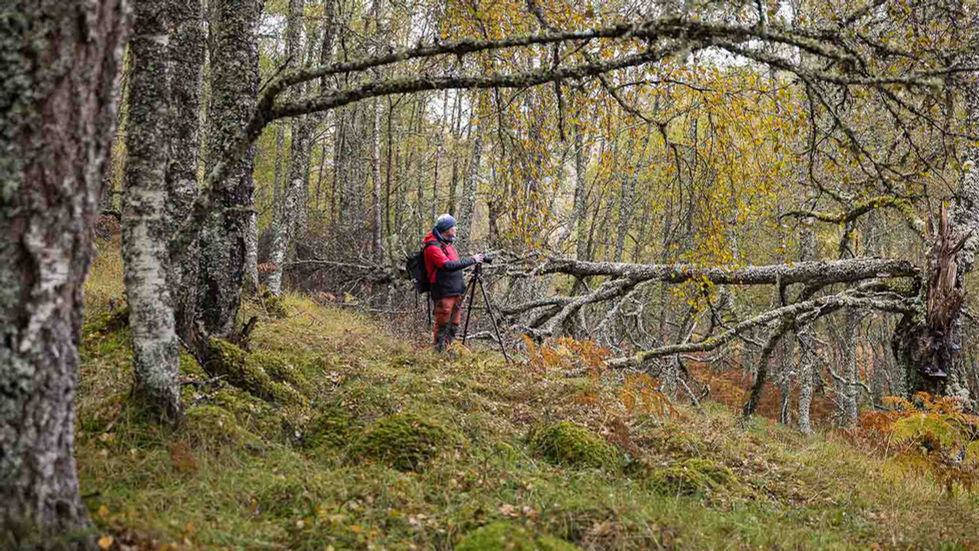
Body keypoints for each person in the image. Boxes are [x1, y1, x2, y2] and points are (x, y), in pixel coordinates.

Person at [422, 214, 485, 351]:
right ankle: (439, 352)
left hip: (455, 290)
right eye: (453, 227)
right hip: (443, 291)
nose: (455, 229)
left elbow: (455, 264)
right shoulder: (432, 247)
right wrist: (472, 260)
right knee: (444, 322)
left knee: (454, 323)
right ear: (446, 229)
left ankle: (448, 349)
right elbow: (447, 266)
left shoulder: (448, 245)